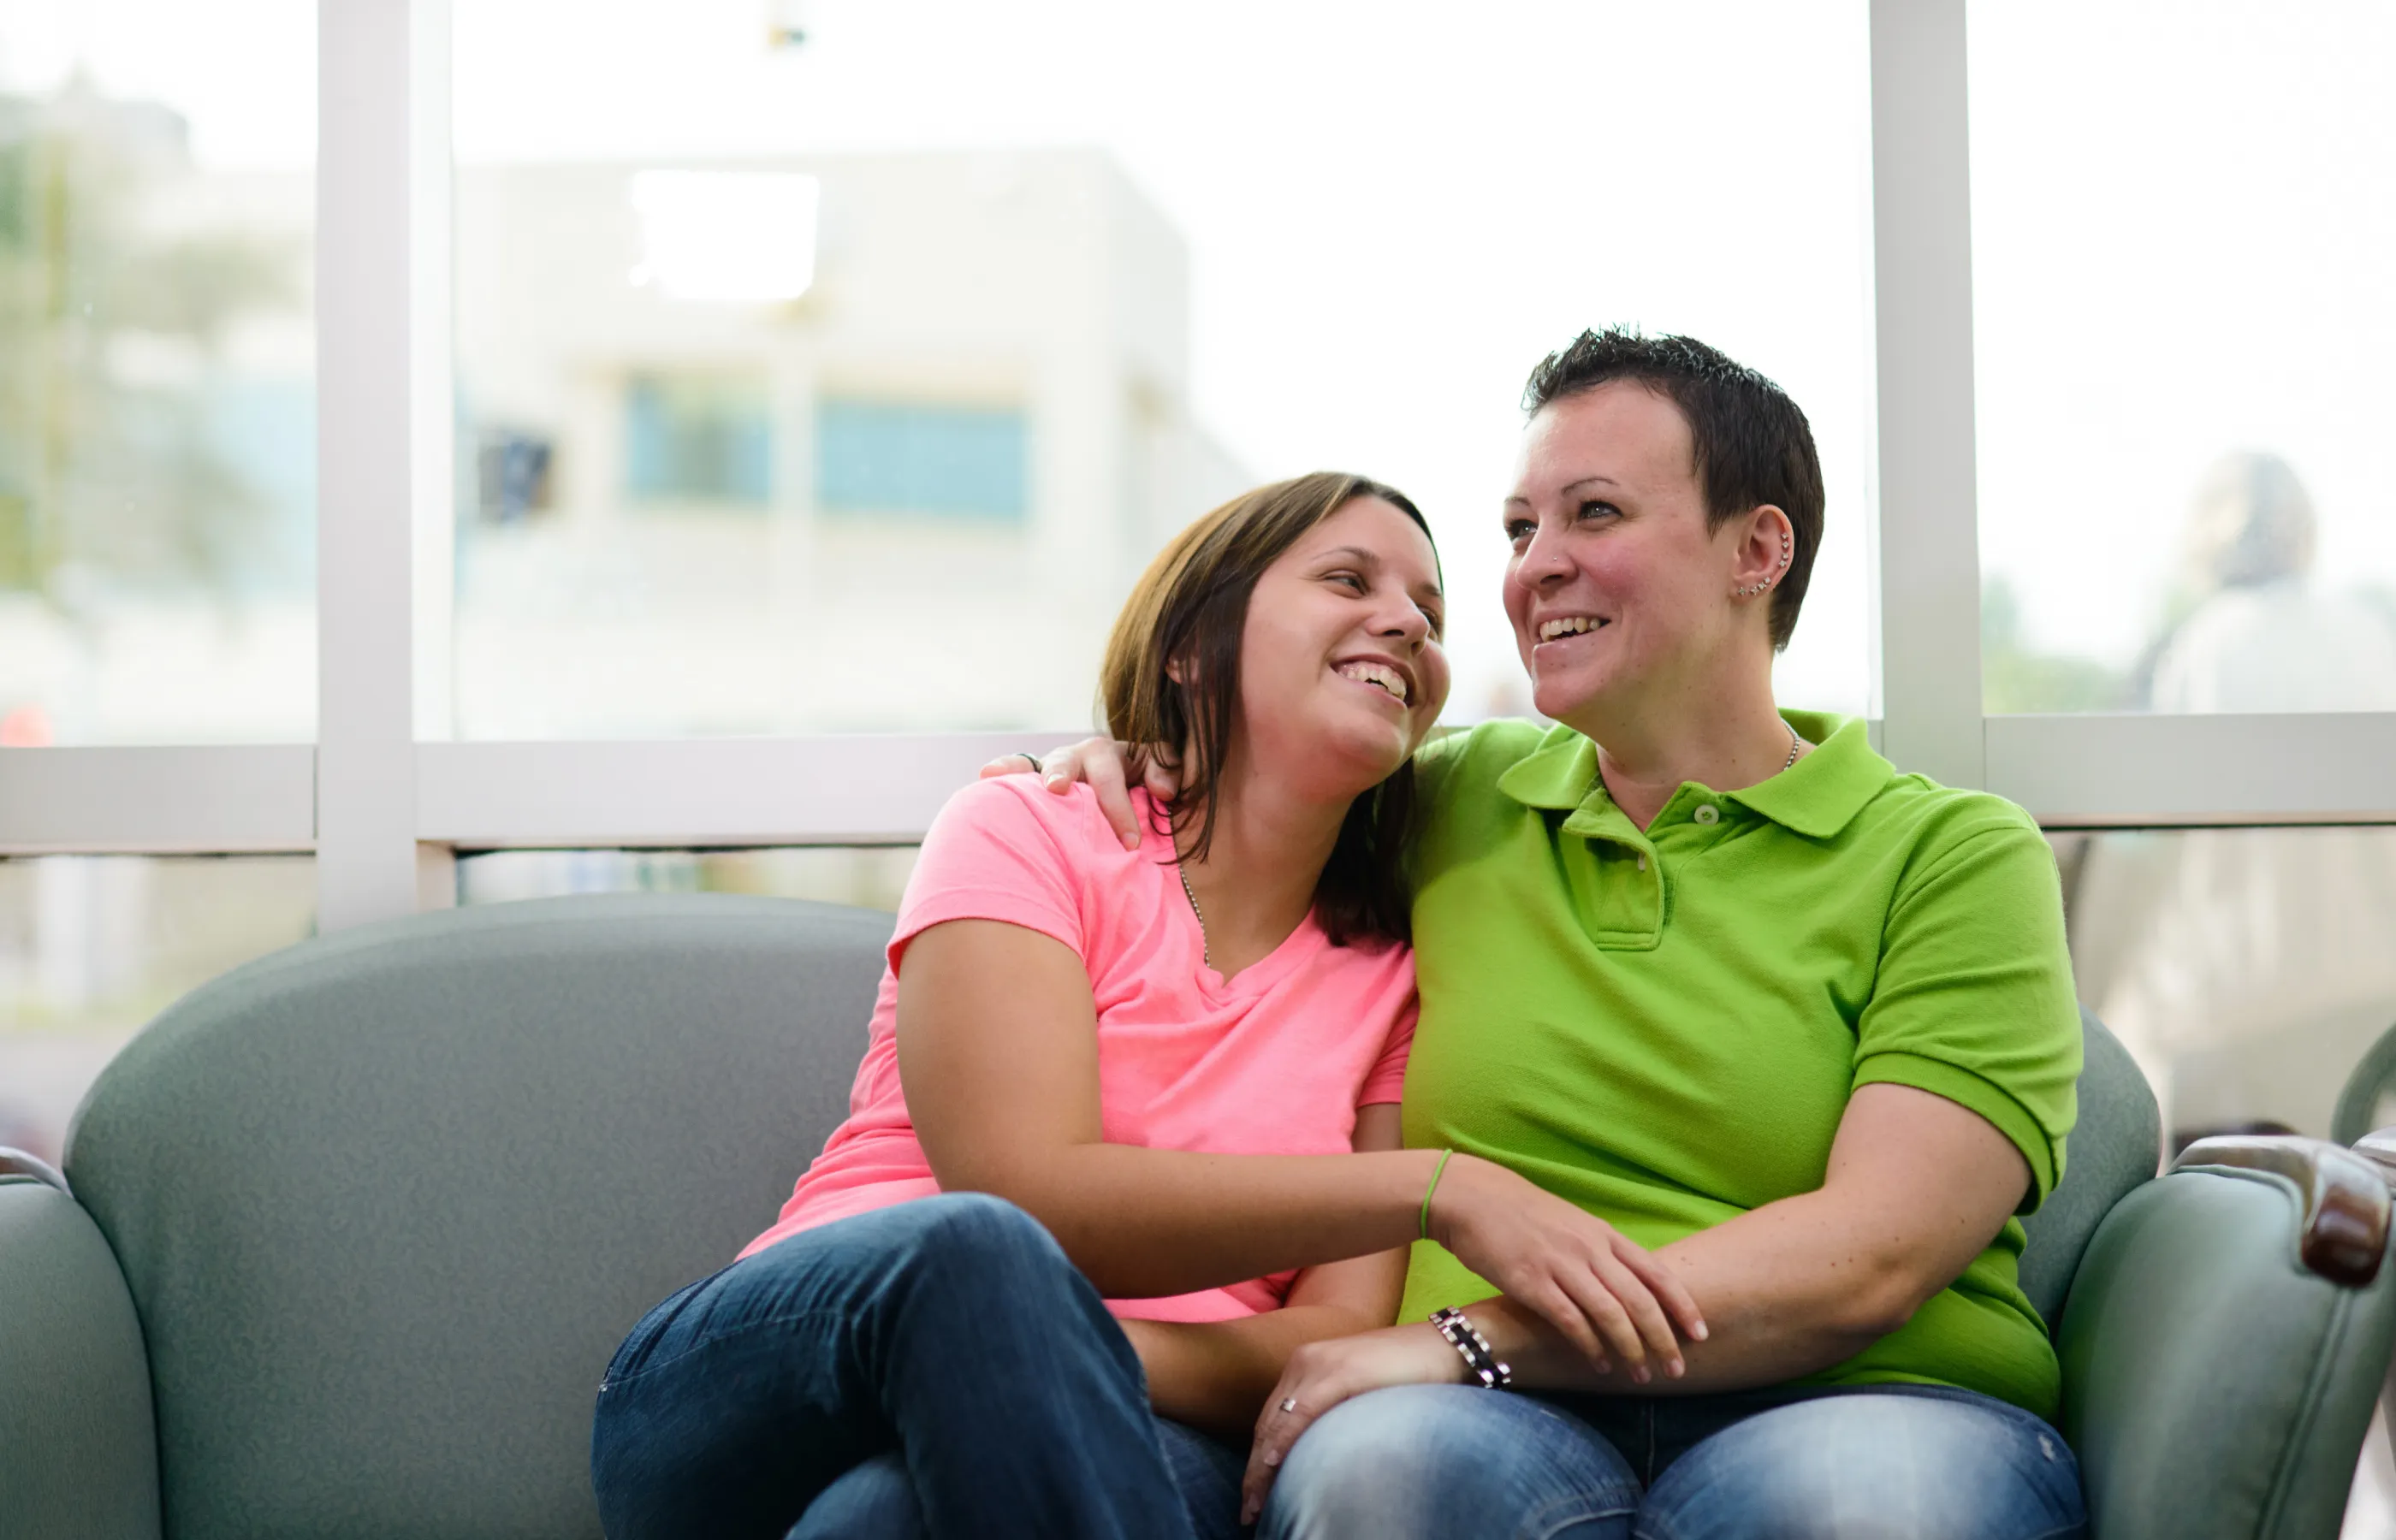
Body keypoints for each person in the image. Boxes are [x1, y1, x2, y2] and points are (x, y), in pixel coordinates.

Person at [1011, 330, 2091, 1539]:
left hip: (1862, 1403)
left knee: (1864, 1512)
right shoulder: (1445, 797)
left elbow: (1873, 1255)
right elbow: (1248, 795)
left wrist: (1465, 1340)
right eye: (1522, 532)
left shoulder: (1955, 856)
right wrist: (1144, 760)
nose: (1536, 571)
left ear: (1757, 548)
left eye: (1595, 514)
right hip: (1480, 1416)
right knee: (1384, 1481)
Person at [590, 471, 1702, 1540]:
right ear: (1189, 648)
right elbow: (1026, 1200)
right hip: (777, 1376)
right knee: (976, 1257)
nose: (1407, 621)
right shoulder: (1028, 831)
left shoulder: (1393, 982)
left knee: (883, 1520)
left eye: (1430, 608)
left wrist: (1052, 1361)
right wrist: (1438, 1192)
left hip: (1120, 1431)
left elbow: (1325, 1342)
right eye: (1349, 580)